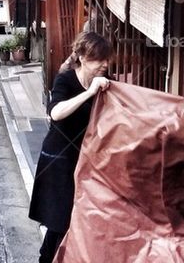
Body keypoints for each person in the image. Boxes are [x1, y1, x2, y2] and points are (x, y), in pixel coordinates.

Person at [29, 31, 112, 262]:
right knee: (60, 219)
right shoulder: (65, 79)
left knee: (72, 221)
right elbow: (55, 113)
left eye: (106, 59)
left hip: (85, 161)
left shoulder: (105, 82)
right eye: (99, 59)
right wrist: (89, 93)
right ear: (83, 58)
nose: (104, 65)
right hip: (58, 160)